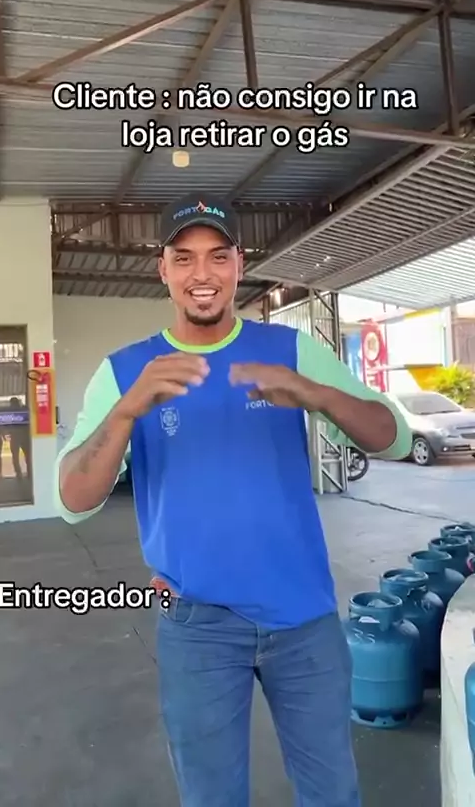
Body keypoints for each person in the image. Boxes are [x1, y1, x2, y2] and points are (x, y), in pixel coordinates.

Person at [55, 192, 412, 807]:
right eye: (185, 258)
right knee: (212, 797)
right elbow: (72, 500)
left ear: (239, 264)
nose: (203, 273)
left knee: (332, 792)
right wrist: (126, 412)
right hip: (197, 626)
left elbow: (394, 438)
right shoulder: (126, 372)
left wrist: (314, 393)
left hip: (303, 618)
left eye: (218, 256)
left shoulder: (290, 351)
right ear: (163, 270)